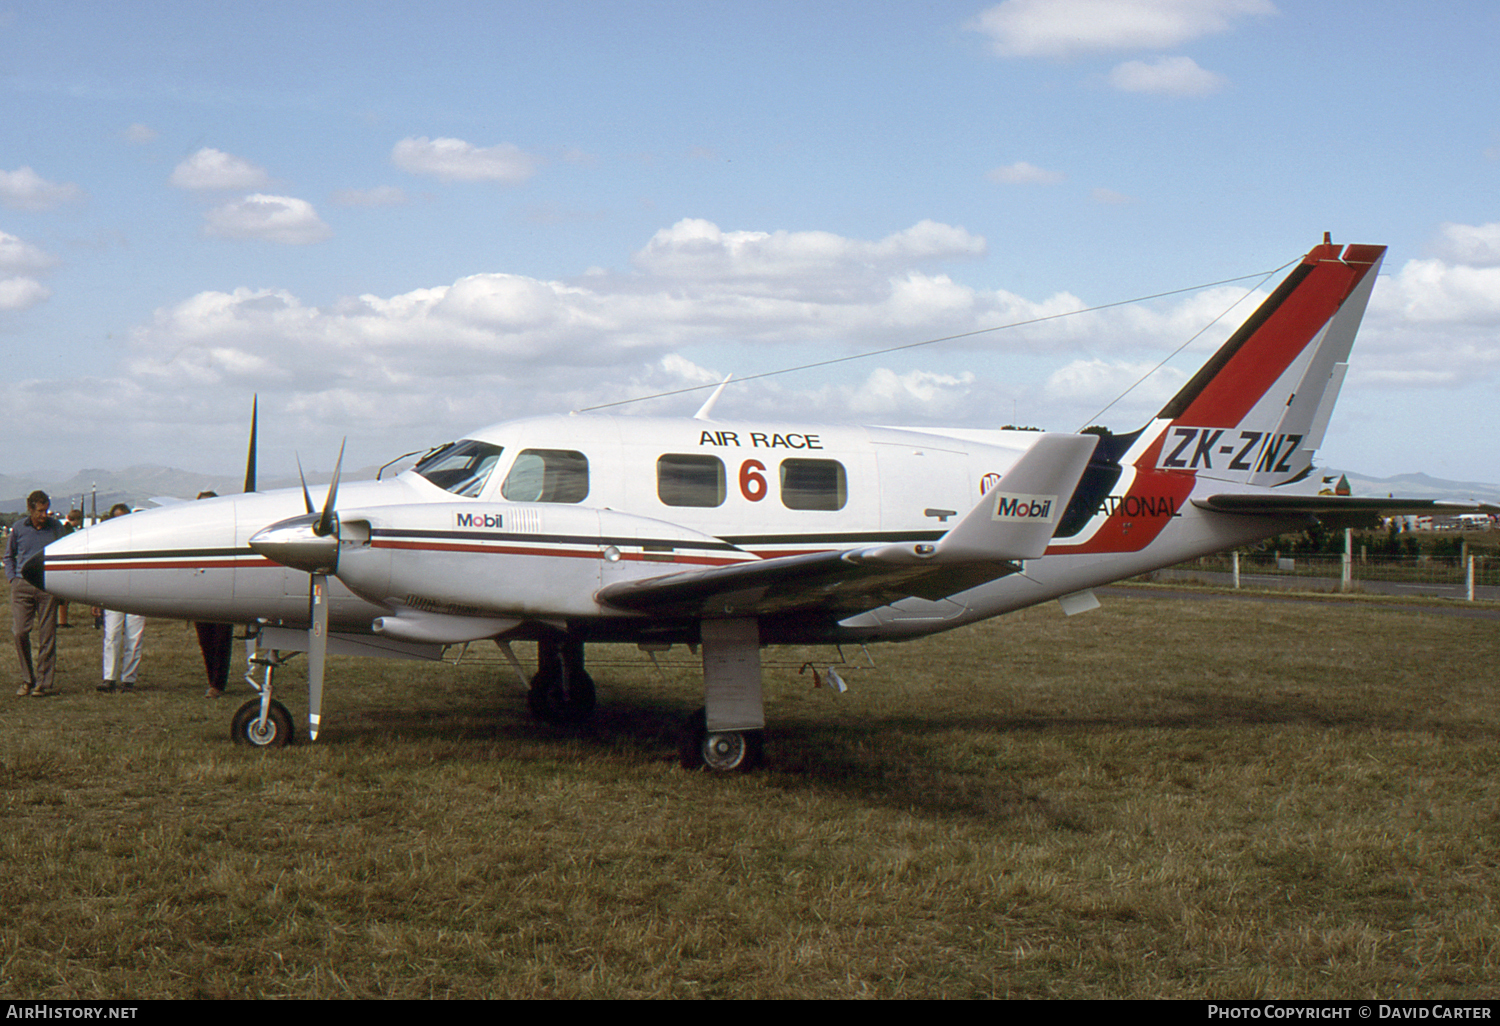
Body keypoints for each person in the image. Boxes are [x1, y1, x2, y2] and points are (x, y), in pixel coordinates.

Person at [5, 490, 68, 697]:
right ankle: (27, 678)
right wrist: (12, 578)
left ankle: (43, 682)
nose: (44, 515)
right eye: (40, 511)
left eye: (46, 510)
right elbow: (9, 555)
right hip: (22, 585)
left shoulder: (56, 527)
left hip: (47, 586)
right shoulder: (18, 528)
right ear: (30, 509)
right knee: (20, 632)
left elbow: (66, 553)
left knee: (47, 634)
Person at [98, 503, 145, 693]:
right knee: (111, 636)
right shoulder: (107, 542)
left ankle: (128, 679)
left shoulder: (140, 541)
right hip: (113, 593)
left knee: (134, 637)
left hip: (136, 593)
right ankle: (109, 677)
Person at [194, 490, 235, 698]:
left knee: (221, 639)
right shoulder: (193, 532)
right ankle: (212, 678)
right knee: (205, 640)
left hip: (221, 591)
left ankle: (218, 683)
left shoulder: (227, 531)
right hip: (200, 591)